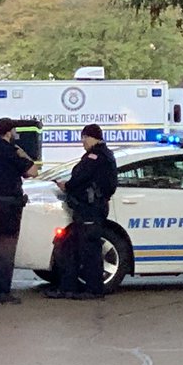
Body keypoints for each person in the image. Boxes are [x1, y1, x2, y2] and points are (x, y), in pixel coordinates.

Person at [45, 123, 117, 300]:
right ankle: (69, 287)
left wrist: (66, 186)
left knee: (90, 250)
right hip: (88, 209)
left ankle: (93, 290)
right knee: (74, 247)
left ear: (92, 137)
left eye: (84, 138)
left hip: (89, 209)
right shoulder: (104, 155)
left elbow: (80, 178)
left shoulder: (95, 157)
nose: (83, 142)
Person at [0, 118, 39, 304]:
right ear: (9, 132)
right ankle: (2, 292)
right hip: (8, 205)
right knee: (6, 249)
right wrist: (23, 154)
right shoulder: (11, 151)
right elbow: (33, 171)